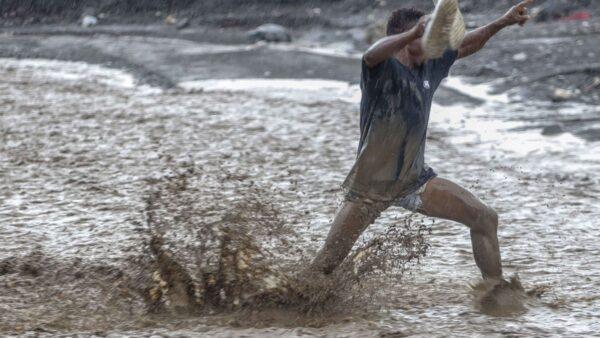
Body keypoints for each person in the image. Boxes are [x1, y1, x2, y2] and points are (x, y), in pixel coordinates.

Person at [310, 1, 533, 286]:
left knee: (484, 217)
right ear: (408, 39)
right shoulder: (382, 69)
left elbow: (466, 44)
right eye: (428, 37)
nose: (437, 45)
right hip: (371, 187)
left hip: (415, 180)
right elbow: (370, 54)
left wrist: (502, 21)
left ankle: (496, 291)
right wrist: (414, 31)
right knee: (325, 265)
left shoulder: (430, 65)